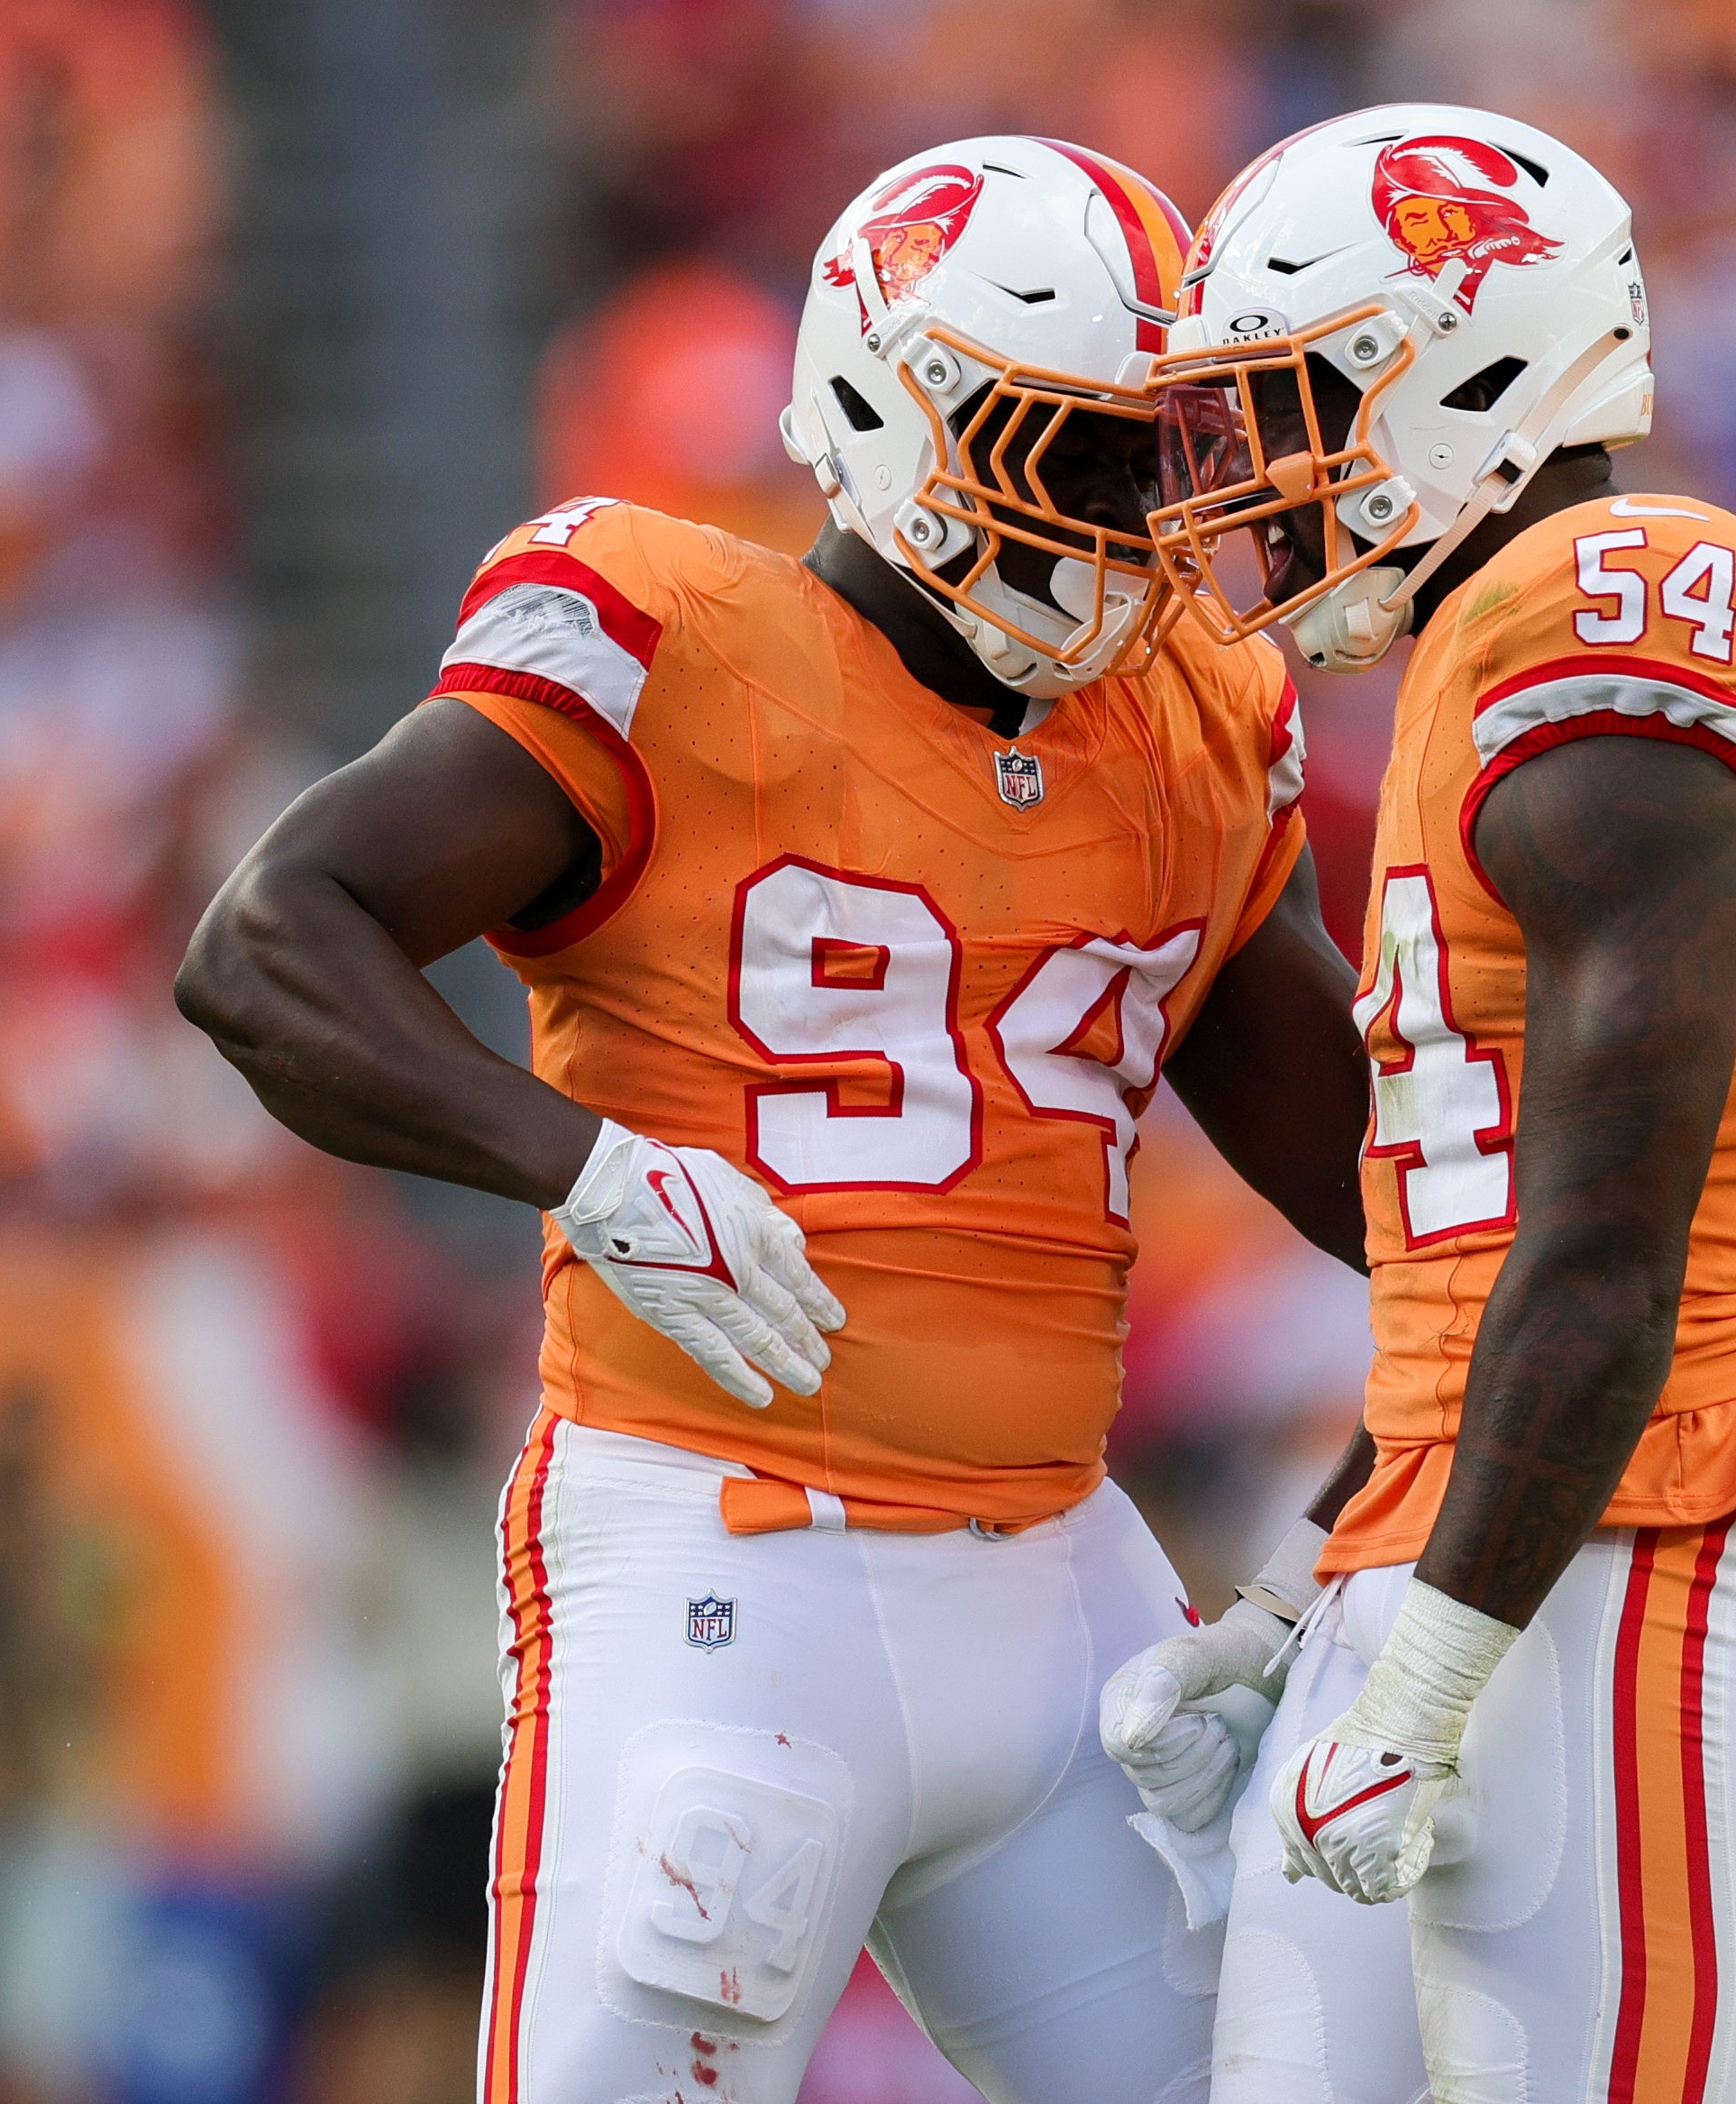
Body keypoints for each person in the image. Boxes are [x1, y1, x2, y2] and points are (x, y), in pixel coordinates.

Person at [177, 137, 1378, 2104]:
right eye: (1069, 449)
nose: (1132, 515)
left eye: (1156, 451)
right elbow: (267, 944)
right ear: (892, 411)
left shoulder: (1199, 718)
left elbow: (1366, 1165)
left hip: (1071, 1584)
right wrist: (583, 1164)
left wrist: (1701, 1179)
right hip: (734, 1562)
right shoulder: (663, 633)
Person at [1092, 105, 1736, 2104]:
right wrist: (1292, 1592)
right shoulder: (1482, 642)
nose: (1256, 480)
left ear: (1465, 369)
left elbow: (1606, 1253)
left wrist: (1421, 1679)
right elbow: (1479, 1266)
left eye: (1292, 405)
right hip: (1493, 1511)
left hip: (1642, 1515)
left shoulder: (1613, 610)